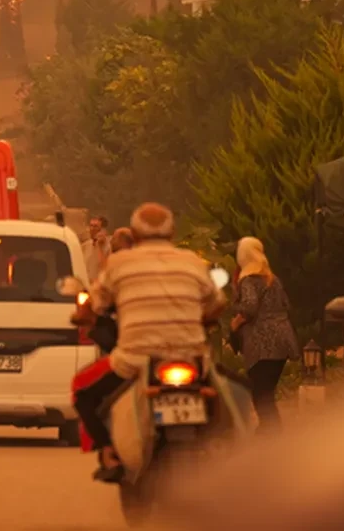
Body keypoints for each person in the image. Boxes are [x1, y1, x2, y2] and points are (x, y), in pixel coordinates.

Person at [71, 202, 226, 482]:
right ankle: (227, 454)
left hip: (135, 361)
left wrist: (81, 315)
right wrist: (201, 318)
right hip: (192, 359)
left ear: (134, 235)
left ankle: (109, 453)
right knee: (232, 392)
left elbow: (93, 305)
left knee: (86, 397)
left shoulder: (118, 264)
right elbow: (217, 303)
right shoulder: (191, 261)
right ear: (172, 232)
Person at [230, 236, 300, 432]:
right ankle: (269, 433)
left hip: (262, 343)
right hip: (283, 340)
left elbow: (250, 308)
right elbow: (286, 304)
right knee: (266, 392)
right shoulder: (272, 278)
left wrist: (236, 320)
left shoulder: (248, 279)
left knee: (261, 394)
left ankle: (270, 435)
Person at [81, 215, 111, 281]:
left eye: (95, 227)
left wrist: (100, 246)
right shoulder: (85, 246)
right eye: (91, 226)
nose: (92, 229)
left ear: (103, 230)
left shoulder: (109, 248)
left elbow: (106, 269)